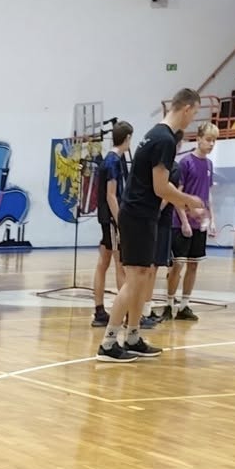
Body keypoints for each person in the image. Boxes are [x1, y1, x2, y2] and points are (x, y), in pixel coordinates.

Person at [99, 90, 203, 362]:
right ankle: (108, 343)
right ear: (187, 108)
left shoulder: (154, 135)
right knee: (134, 280)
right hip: (138, 215)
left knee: (142, 278)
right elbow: (160, 187)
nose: (192, 119)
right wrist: (189, 200)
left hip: (141, 215)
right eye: (194, 113)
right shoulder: (164, 140)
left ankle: (132, 337)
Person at [163, 121, 217, 320]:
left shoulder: (209, 165)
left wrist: (212, 219)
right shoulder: (185, 163)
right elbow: (178, 194)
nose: (211, 144)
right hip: (181, 223)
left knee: (193, 265)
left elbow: (208, 195)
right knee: (177, 266)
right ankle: (169, 304)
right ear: (199, 139)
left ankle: (184, 306)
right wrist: (184, 221)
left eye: (214, 141)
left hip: (199, 225)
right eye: (208, 140)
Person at [92, 120, 133, 325]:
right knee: (119, 264)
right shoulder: (113, 161)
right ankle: (126, 314)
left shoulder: (110, 160)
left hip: (105, 218)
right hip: (111, 219)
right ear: (127, 138)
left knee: (103, 263)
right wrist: (120, 222)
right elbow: (111, 195)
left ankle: (99, 311)